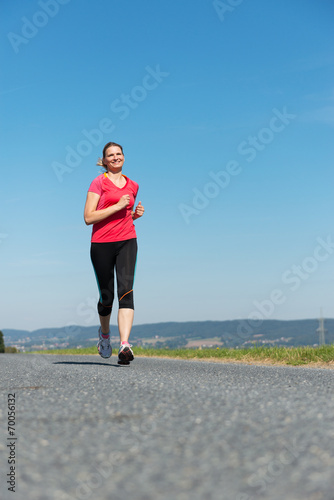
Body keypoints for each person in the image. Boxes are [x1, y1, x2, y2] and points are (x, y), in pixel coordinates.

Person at [84, 142, 144, 364]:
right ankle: (105, 335)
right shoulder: (99, 182)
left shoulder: (133, 185)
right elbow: (89, 217)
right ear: (105, 160)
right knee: (107, 296)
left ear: (124, 157)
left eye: (119, 153)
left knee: (126, 291)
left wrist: (134, 215)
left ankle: (125, 344)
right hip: (101, 244)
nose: (116, 157)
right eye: (111, 155)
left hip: (128, 240)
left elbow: (123, 218)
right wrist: (118, 206)